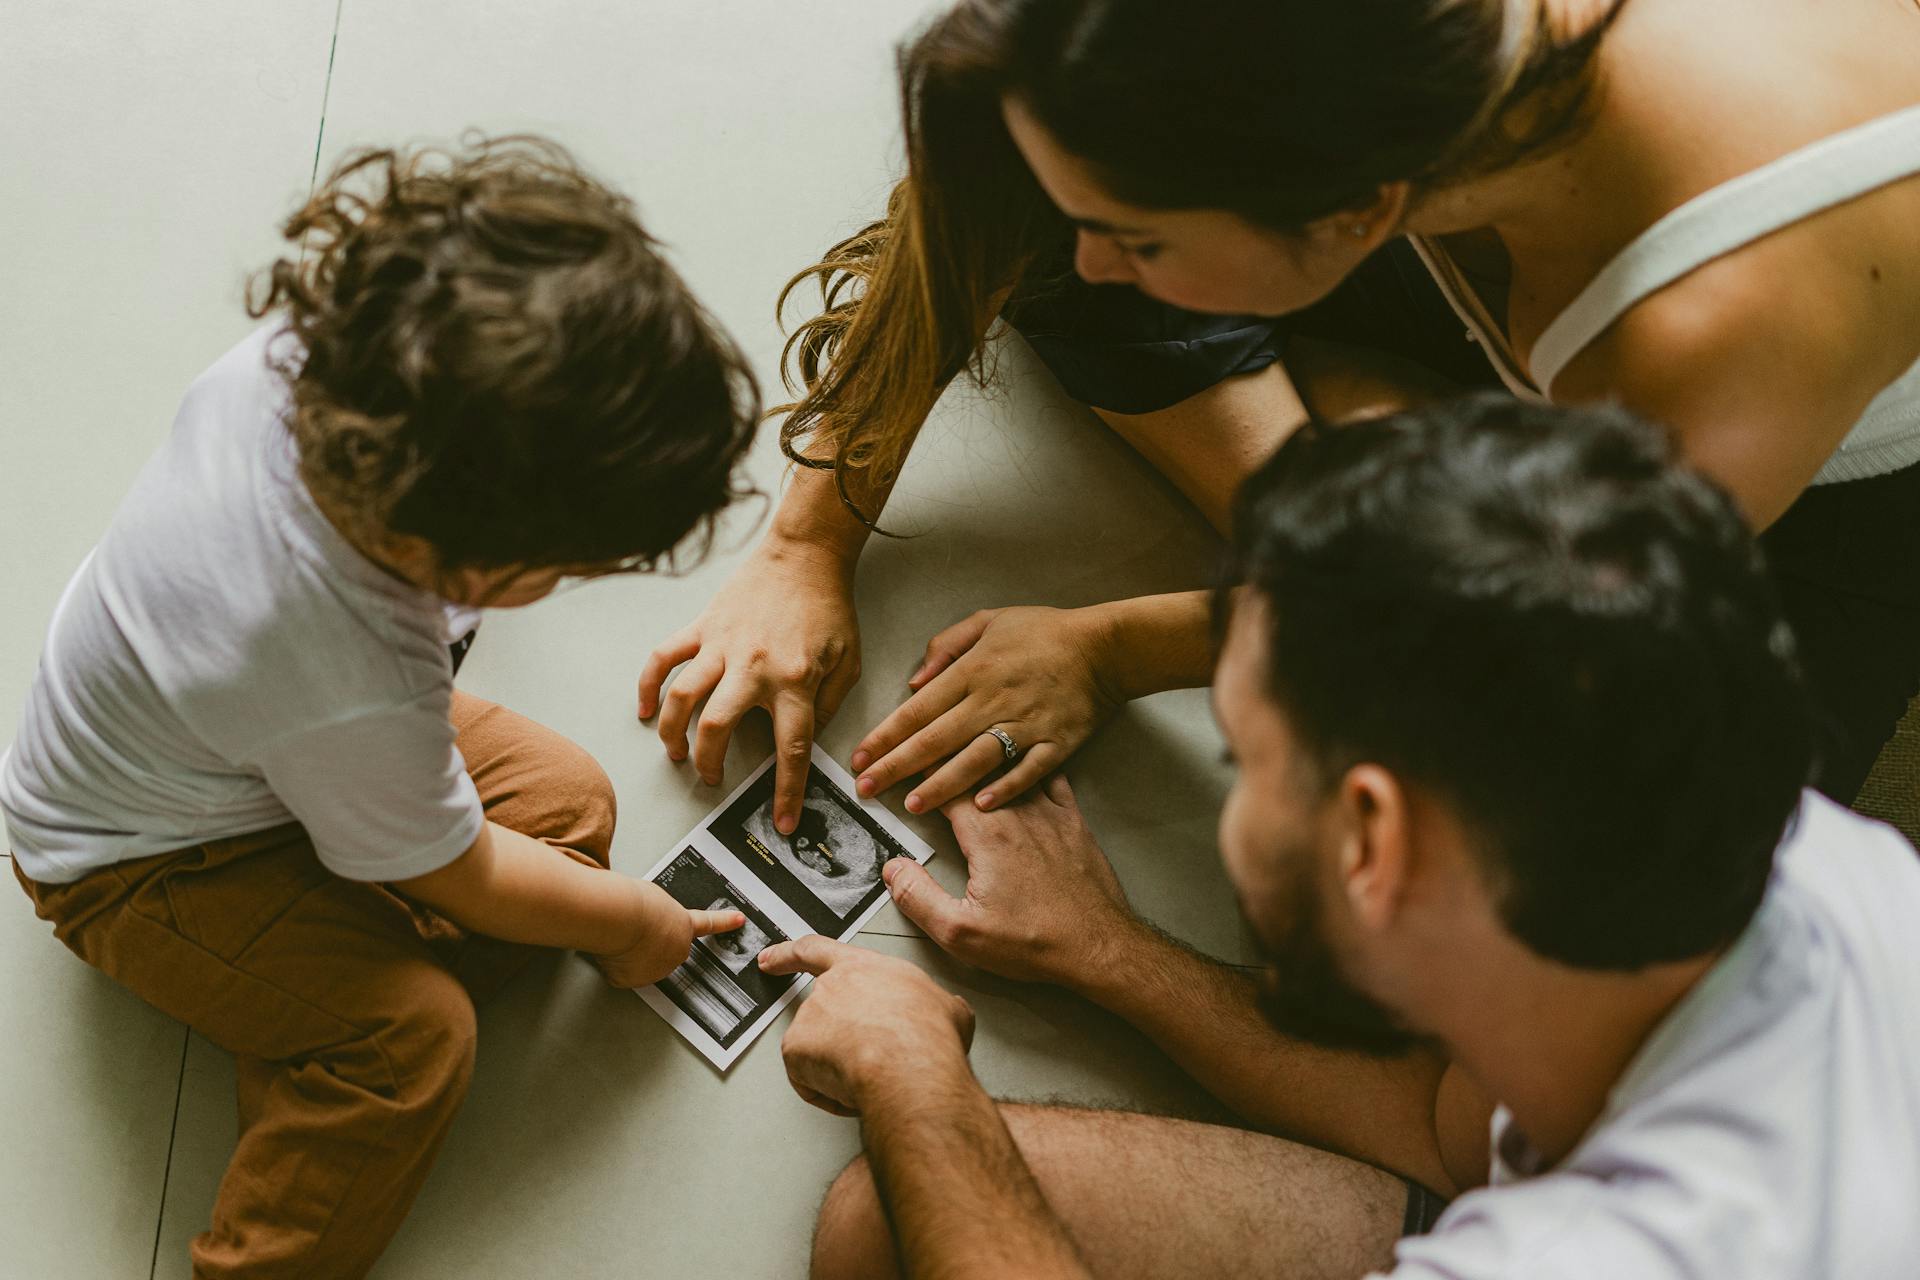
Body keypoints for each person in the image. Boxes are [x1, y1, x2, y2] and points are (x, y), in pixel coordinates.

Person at [639, 0, 1920, 824]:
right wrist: (811, 537)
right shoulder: (1376, 96)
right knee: (1050, 222)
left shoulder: (1704, 340)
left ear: (1357, 219)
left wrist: (1109, 650)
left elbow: (1501, 616)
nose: (1092, 258)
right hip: (1539, 301)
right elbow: (1011, 153)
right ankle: (1350, 485)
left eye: (1133, 237)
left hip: (1823, 495)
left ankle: (1375, 491)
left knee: (1594, 816)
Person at [756, 396, 1920, 1279]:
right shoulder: (1775, 848)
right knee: (887, 1220)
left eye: (1246, 754)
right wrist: (1104, 948)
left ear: (1369, 833)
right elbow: (1453, 1130)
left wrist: (913, 1067)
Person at [1, 137, 757, 1279]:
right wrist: (629, 923)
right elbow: (460, 871)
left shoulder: (312, 363)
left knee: (571, 803)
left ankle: (315, 992)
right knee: (414, 1041)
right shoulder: (336, 655)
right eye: (565, 565)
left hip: (240, 742)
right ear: (450, 550)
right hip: (139, 864)